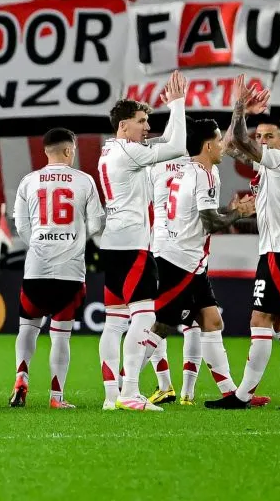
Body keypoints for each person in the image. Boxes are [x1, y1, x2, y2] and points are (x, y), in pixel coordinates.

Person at [207, 75, 280, 410]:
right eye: (261, 136)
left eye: (270, 136)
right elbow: (229, 146)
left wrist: (240, 107)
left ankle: (241, 395)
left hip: (279, 254)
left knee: (260, 320)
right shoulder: (267, 168)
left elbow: (240, 140)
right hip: (276, 251)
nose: (263, 140)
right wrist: (243, 118)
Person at [149, 117, 271, 409]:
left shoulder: (188, 170)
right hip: (180, 260)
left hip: (188, 257)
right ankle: (124, 388)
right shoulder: (205, 173)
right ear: (207, 145)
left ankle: (230, 392)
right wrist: (238, 213)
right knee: (162, 325)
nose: (221, 147)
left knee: (211, 320)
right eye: (218, 141)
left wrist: (229, 210)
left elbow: (200, 215)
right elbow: (210, 222)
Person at [96, 71, 188, 412]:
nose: (147, 127)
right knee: (145, 317)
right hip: (133, 245)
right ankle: (130, 392)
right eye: (142, 121)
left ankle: (111, 396)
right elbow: (177, 146)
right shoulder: (127, 153)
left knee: (114, 321)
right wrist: (177, 105)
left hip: (114, 244)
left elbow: (162, 144)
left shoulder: (112, 151)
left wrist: (168, 119)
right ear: (124, 126)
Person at [10, 128, 105, 409]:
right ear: (68, 150)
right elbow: (97, 224)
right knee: (60, 336)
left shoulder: (29, 181)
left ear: (45, 151)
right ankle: (56, 397)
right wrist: (76, 238)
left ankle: (21, 377)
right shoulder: (84, 181)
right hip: (70, 272)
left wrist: (39, 244)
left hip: (36, 268)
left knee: (27, 329)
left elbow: (21, 225)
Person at [144, 143, 195, 406]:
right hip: (192, 248)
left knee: (156, 317)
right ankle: (184, 392)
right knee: (196, 321)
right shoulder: (198, 166)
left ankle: (161, 385)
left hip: (161, 247)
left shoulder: (153, 163)